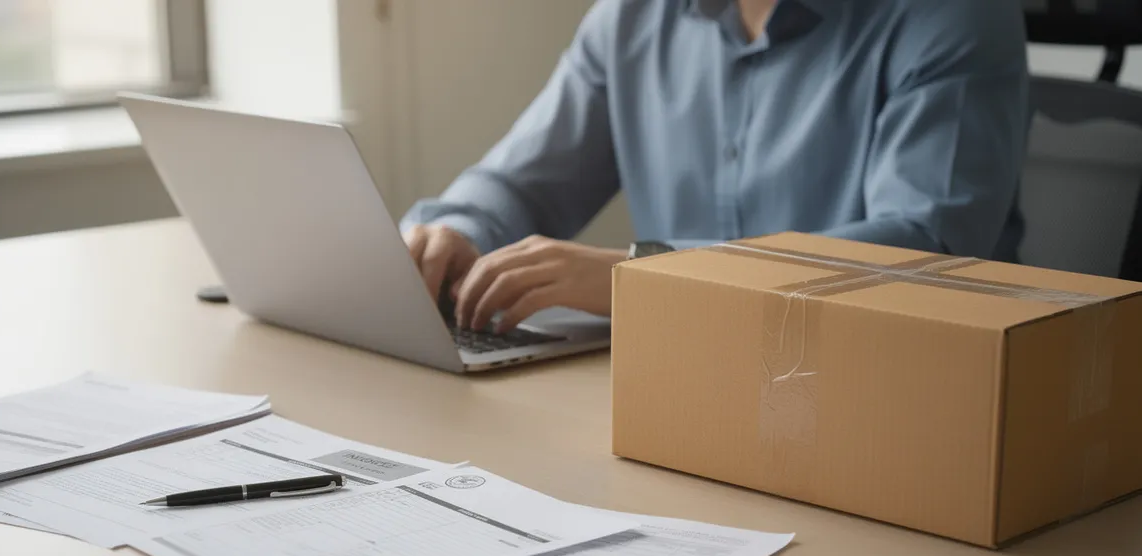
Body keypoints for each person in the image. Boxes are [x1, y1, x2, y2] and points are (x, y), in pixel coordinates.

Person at [400, 0, 1029, 334]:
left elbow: (925, 249)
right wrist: (459, 230)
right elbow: (522, 181)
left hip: (887, 387)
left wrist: (646, 275)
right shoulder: (632, 16)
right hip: (684, 377)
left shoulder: (954, 12)